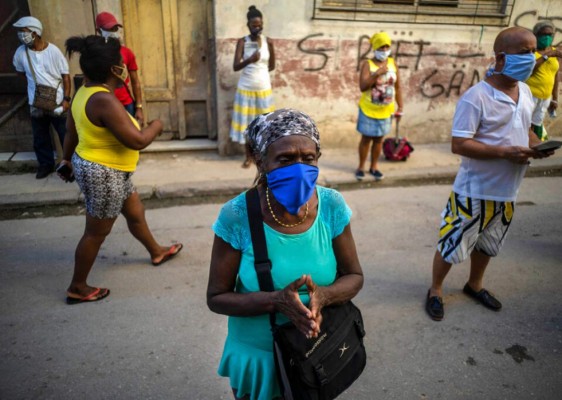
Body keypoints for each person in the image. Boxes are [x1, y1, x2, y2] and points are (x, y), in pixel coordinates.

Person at [207, 109, 363, 399]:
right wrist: (276, 301)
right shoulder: (237, 216)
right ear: (260, 159)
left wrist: (325, 296)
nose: (299, 168)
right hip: (260, 354)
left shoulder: (331, 206)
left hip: (315, 350)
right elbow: (216, 298)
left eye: (309, 158)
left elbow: (354, 276)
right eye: (286, 159)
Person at [425, 27, 553, 321]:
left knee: (488, 244)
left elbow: (529, 130)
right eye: (525, 52)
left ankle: (474, 285)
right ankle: (435, 289)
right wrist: (505, 153)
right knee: (452, 244)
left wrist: (538, 146)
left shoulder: (526, 91)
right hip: (473, 192)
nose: (533, 57)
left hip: (508, 192)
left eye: (534, 51)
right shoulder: (476, 97)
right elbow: (460, 143)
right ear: (500, 58)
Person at [59, 35, 183, 304]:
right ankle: (77, 286)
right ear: (115, 70)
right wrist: (157, 125)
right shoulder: (104, 100)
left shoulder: (84, 91)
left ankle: (156, 251)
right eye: (120, 63)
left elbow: (71, 132)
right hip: (105, 173)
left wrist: (66, 160)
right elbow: (137, 140)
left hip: (110, 170)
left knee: (135, 212)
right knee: (95, 232)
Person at [12, 16, 71, 179]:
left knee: (65, 135)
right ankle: (45, 165)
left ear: (35, 32)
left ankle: (71, 164)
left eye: (24, 32)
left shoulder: (54, 52)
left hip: (57, 102)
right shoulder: (20, 53)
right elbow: (20, 73)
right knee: (40, 137)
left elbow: (66, 76)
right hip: (36, 103)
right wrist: (33, 88)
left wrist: (66, 99)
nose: (21, 35)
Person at [230, 5, 275, 168]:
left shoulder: (268, 42)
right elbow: (235, 66)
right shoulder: (243, 42)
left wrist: (260, 72)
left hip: (263, 89)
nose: (257, 27)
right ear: (248, 25)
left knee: (265, 124)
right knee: (247, 125)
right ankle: (248, 157)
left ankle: (264, 156)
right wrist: (250, 60)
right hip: (246, 89)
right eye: (254, 25)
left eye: (260, 25)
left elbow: (272, 66)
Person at [355, 31, 403, 181]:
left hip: (386, 110)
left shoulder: (392, 63)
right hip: (369, 110)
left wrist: (400, 106)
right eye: (381, 47)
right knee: (366, 139)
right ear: (375, 48)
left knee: (379, 140)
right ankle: (361, 167)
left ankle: (374, 167)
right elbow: (362, 86)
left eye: (387, 47)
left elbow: (398, 87)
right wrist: (377, 74)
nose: (384, 51)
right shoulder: (367, 64)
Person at [95, 11, 144, 125]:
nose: (113, 32)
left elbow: (135, 82)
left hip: (126, 104)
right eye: (109, 29)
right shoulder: (95, 55)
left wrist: (139, 107)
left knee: (130, 138)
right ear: (98, 31)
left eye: (115, 29)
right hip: (104, 104)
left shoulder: (126, 52)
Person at [525, 20, 561, 141]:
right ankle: (523, 146)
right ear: (536, 35)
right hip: (530, 95)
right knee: (524, 122)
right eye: (543, 34)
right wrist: (546, 55)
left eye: (549, 35)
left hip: (545, 97)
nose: (546, 37)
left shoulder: (554, 52)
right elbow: (528, 69)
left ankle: (534, 147)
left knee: (537, 122)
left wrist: (555, 99)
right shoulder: (530, 51)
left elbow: (555, 76)